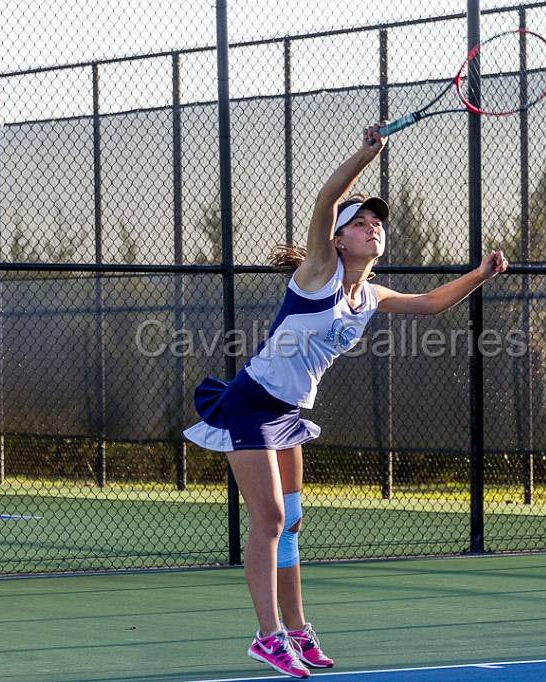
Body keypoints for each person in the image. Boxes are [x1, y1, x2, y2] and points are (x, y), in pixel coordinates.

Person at [183, 123, 508, 678]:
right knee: (268, 519)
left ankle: (299, 629)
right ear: (336, 239)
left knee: (291, 523)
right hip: (248, 405)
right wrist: (366, 151)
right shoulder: (318, 273)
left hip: (288, 414)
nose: (371, 227)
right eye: (359, 223)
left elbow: (430, 303)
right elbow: (325, 198)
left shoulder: (370, 295)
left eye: (376, 222)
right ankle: (267, 637)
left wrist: (479, 274)